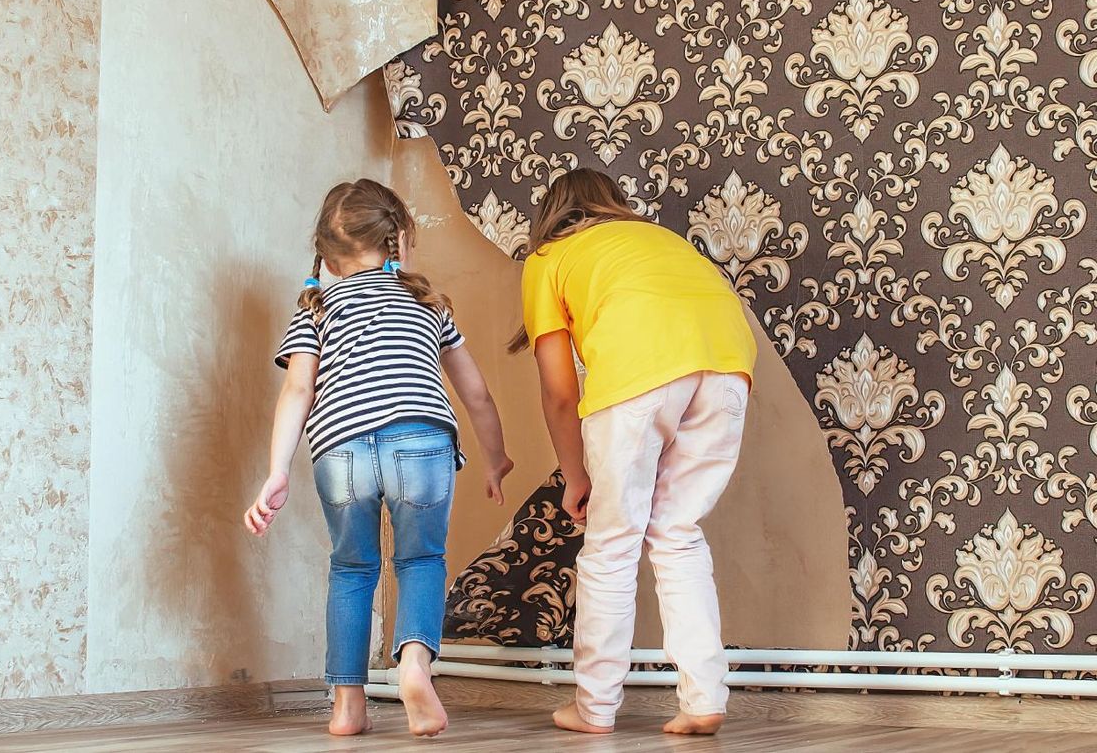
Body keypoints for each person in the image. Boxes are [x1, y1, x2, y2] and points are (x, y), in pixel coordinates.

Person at [245, 179, 512, 739]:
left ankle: (347, 706)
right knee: (420, 560)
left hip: (339, 449)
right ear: (400, 241)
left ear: (327, 257)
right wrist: (495, 458)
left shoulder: (317, 308)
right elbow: (477, 394)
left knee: (351, 567)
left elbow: (297, 391)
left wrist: (276, 471)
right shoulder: (428, 303)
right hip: (421, 441)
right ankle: (413, 664)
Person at [510, 168, 756, 736]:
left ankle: (594, 708)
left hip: (639, 374)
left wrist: (575, 475)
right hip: (728, 368)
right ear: (614, 204)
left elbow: (559, 392)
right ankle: (704, 699)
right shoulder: (660, 239)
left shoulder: (549, 257)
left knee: (612, 544)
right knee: (678, 533)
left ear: (550, 217)